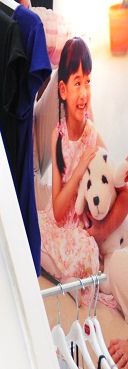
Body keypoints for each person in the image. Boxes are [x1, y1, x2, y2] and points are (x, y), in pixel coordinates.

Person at [38, 37, 128, 302]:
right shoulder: (58, 136)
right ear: (63, 90)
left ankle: (72, 276)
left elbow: (114, 184)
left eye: (88, 82)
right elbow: (57, 211)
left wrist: (100, 228)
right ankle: (66, 274)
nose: (84, 93)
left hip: (81, 231)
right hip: (58, 222)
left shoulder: (92, 135)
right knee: (34, 228)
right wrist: (77, 171)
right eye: (77, 83)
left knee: (87, 251)